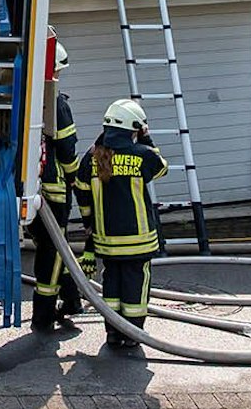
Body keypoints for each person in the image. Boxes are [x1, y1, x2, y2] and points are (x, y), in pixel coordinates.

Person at [77, 98, 167, 352]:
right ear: (134, 128)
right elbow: (161, 167)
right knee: (135, 286)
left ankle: (114, 332)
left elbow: (81, 191)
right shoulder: (142, 155)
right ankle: (133, 332)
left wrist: (88, 224)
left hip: (105, 240)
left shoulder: (92, 158)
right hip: (138, 240)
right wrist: (147, 139)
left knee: (112, 284)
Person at [32, 41, 83, 331]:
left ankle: (73, 299)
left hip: (34, 186)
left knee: (50, 247)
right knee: (53, 250)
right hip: (55, 188)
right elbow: (67, 148)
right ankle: (44, 315)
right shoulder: (57, 104)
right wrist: (76, 176)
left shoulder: (27, 96)